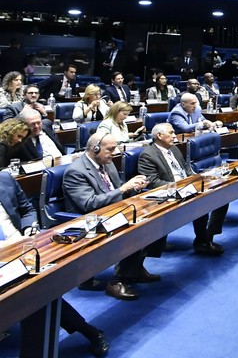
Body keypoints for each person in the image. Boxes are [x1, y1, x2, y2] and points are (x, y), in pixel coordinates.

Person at [0, 170, 110, 356]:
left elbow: (26, 209)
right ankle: (89, 331)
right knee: (36, 291)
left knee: (39, 287)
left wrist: (29, 227)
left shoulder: (4, 178)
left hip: (21, 248)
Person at [63, 133, 161, 301]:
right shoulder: (76, 171)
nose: (114, 152)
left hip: (112, 211)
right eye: (110, 149)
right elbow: (89, 203)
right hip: (89, 219)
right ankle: (117, 281)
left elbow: (114, 191)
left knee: (154, 217)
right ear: (95, 149)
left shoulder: (106, 163)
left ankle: (135, 268)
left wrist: (133, 187)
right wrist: (123, 189)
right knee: (134, 229)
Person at [138, 122, 226, 256]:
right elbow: (152, 182)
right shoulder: (148, 155)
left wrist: (197, 179)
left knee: (221, 196)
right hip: (170, 192)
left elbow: (186, 169)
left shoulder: (174, 149)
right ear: (159, 136)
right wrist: (179, 187)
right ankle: (202, 242)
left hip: (186, 186)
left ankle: (208, 236)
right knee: (201, 201)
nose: (175, 135)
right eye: (171, 133)